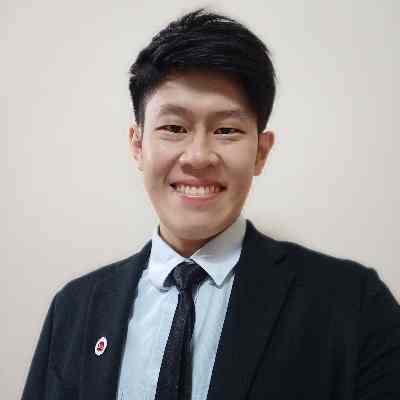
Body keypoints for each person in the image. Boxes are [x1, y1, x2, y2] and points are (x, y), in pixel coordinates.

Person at [22, 8, 400, 400]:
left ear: (261, 152)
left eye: (226, 130)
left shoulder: (353, 304)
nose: (198, 156)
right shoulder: (74, 310)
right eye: (174, 127)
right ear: (137, 145)